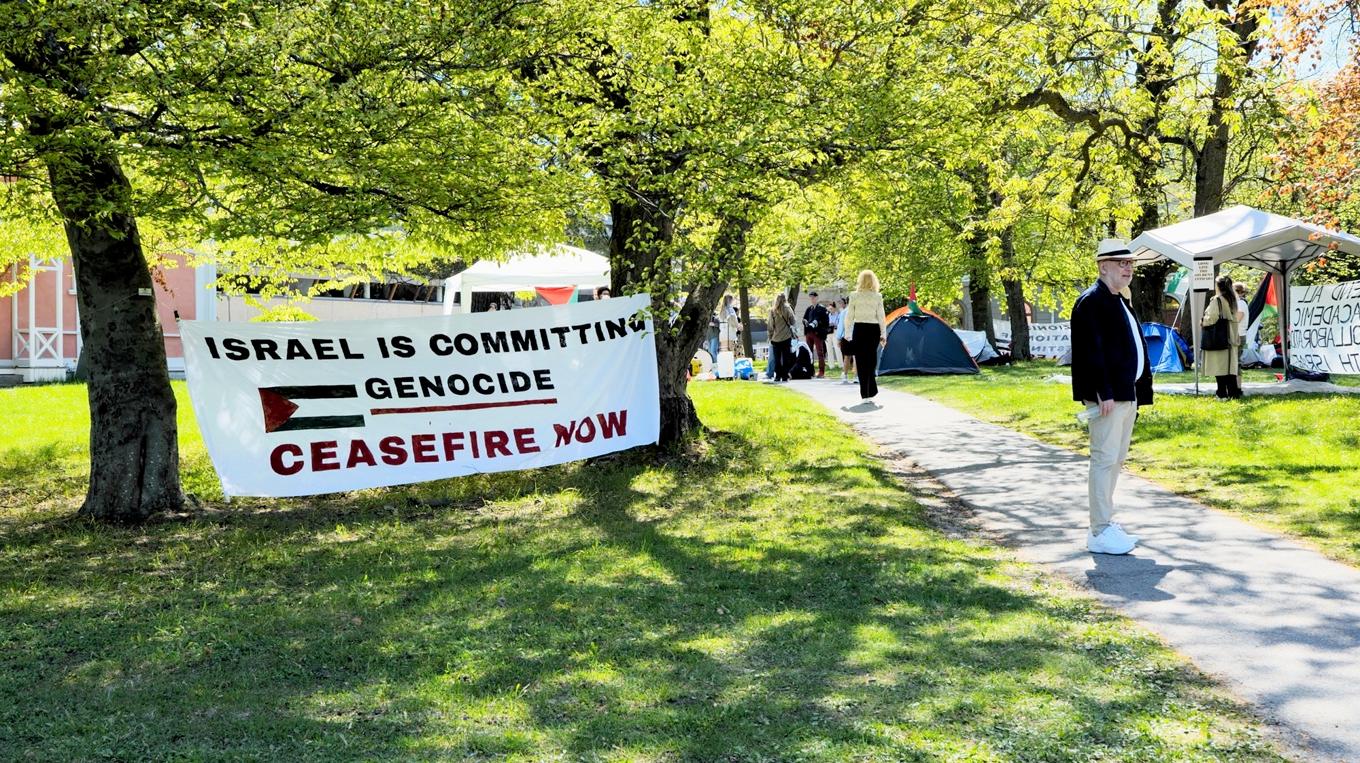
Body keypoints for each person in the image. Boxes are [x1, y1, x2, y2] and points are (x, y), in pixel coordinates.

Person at [1070, 239, 1154, 555]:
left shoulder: (1119, 300)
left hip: (1125, 394)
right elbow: (1092, 352)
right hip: (1108, 397)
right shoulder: (1091, 301)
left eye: (1130, 263)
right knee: (1104, 460)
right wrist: (1102, 392)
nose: (1128, 268)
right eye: (1122, 263)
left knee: (1115, 460)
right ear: (1103, 266)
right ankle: (1100, 529)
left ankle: (1105, 524)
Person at [842, 270, 887, 405]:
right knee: (871, 360)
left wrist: (848, 333)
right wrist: (883, 334)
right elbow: (881, 317)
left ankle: (865, 394)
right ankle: (871, 391)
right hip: (873, 330)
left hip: (859, 329)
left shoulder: (854, 296)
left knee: (861, 362)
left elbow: (849, 316)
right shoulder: (877, 296)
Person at [1202, 275, 1243, 400]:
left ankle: (1221, 393)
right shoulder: (1233, 299)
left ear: (1218, 286)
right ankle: (1233, 392)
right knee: (1230, 368)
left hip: (1219, 337)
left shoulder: (1217, 300)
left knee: (1219, 367)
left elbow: (1212, 318)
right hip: (1231, 336)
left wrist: (1203, 321)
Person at [768, 293, 798, 382]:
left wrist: (770, 336)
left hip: (775, 338)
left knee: (777, 359)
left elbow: (770, 325)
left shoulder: (773, 310)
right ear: (785, 299)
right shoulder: (788, 309)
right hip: (786, 337)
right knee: (786, 358)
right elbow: (793, 321)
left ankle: (777, 376)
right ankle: (785, 376)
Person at [802, 291, 831, 378]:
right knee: (809, 352)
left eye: (813, 297)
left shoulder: (822, 308)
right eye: (811, 297)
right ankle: (811, 371)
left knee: (820, 352)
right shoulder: (809, 309)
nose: (812, 299)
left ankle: (821, 371)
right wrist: (806, 323)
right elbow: (804, 319)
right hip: (809, 333)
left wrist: (818, 325)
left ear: (817, 298)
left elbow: (826, 322)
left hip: (817, 333)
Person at [836, 296, 856, 385]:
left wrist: (839, 338)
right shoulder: (856, 311)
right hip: (854, 336)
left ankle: (845, 376)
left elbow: (840, 326)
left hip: (847, 336)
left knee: (847, 357)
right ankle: (856, 376)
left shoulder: (844, 312)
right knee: (855, 357)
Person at [826, 301, 843, 369]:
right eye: (829, 309)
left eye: (831, 308)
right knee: (829, 348)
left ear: (834, 308)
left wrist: (834, 324)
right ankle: (831, 365)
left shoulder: (838, 314)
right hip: (828, 332)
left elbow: (839, 324)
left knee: (837, 348)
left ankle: (841, 364)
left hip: (835, 331)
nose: (830, 310)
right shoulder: (827, 315)